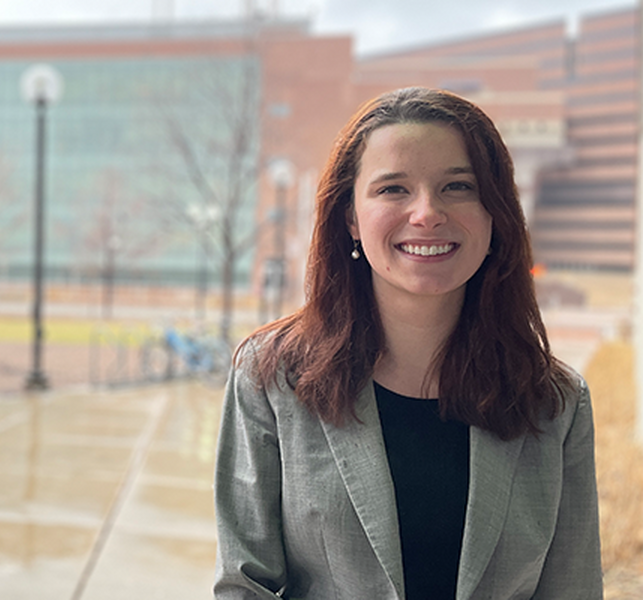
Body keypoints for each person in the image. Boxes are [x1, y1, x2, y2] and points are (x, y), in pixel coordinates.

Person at [214, 87, 602, 600]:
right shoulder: (271, 378)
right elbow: (244, 585)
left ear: (495, 213)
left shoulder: (555, 403)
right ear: (350, 216)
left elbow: (572, 591)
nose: (427, 213)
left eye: (458, 186)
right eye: (393, 189)